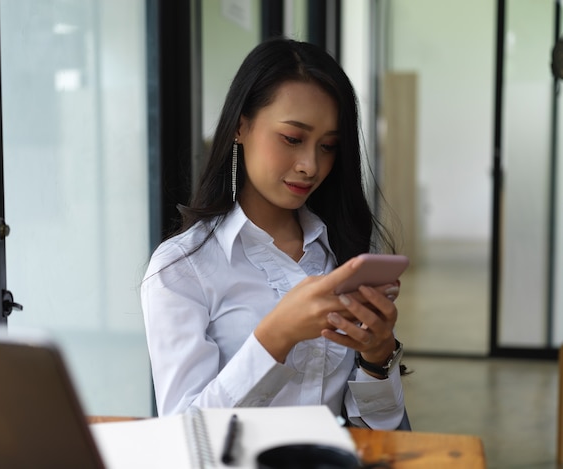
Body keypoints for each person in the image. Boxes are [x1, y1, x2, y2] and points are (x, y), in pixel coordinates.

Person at [141, 37, 410, 430]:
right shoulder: (182, 268)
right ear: (240, 126)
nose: (310, 165)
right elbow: (184, 434)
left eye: (329, 146)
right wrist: (275, 336)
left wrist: (377, 354)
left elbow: (381, 429)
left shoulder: (343, 254)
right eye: (292, 138)